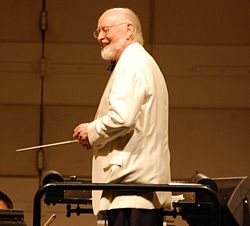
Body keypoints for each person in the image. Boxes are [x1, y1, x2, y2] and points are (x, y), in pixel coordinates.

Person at [73, 8, 171, 226]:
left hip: (131, 188)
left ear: (129, 30)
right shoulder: (142, 62)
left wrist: (91, 131)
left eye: (105, 29)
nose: (100, 37)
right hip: (135, 188)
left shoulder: (131, 62)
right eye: (97, 31)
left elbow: (122, 118)